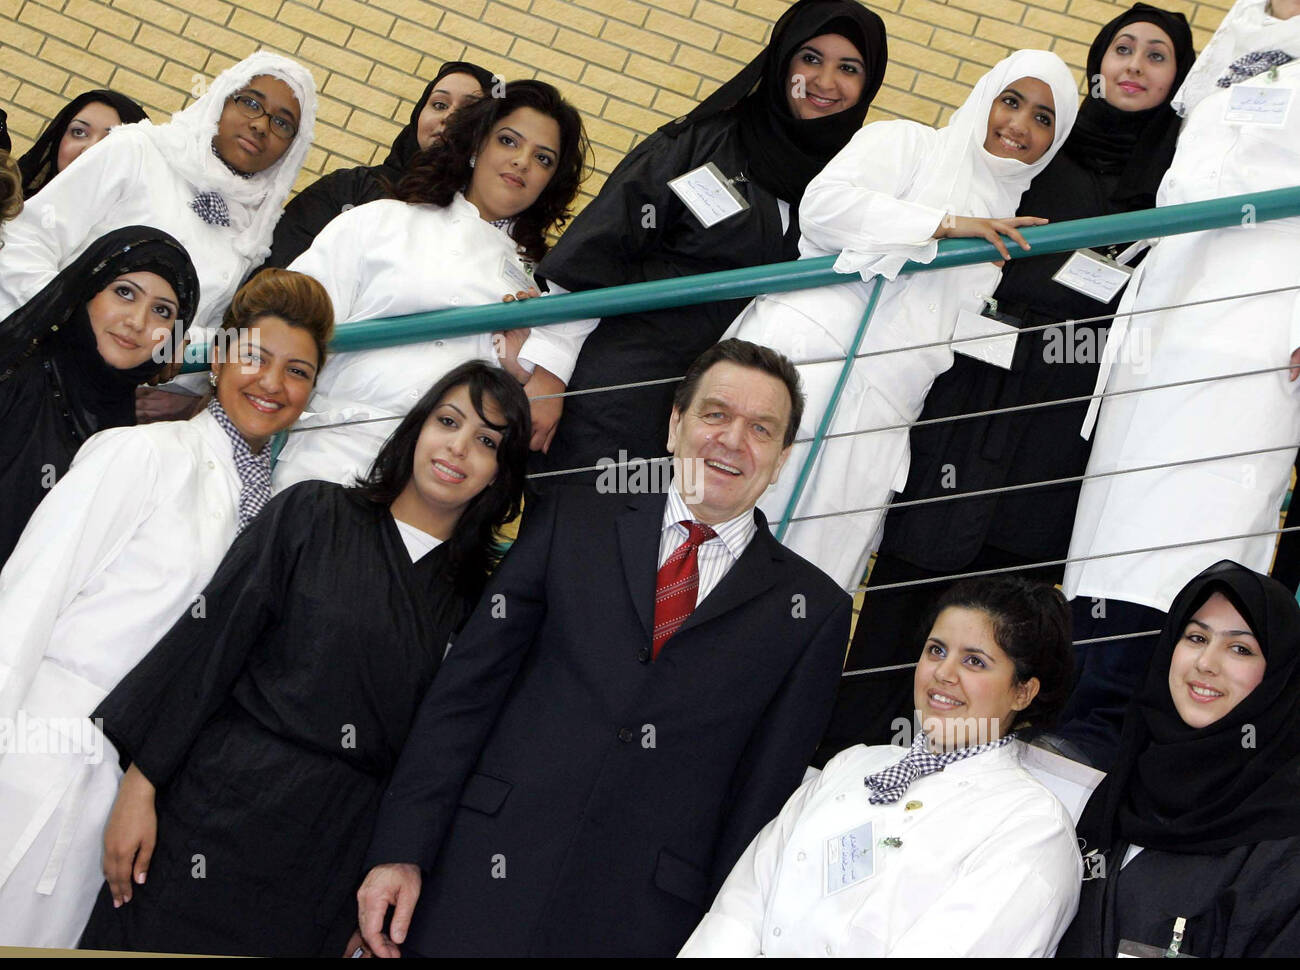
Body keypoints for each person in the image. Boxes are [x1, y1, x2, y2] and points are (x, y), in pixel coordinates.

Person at [356, 339, 852, 958]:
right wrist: (402, 850)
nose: (732, 440)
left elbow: (758, 804)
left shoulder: (813, 612)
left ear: (780, 460)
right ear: (675, 424)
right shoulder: (572, 517)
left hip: (641, 925)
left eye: (761, 429)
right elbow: (466, 694)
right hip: (475, 875)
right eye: (716, 414)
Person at [820, 6, 1195, 762]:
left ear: (1176, 80)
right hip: (971, 394)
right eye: (1122, 47)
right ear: (1097, 62)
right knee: (902, 616)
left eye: (1156, 56)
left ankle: (941, 797)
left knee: (1003, 630)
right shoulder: (1045, 147)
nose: (1134, 64)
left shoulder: (1178, 173)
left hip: (1058, 421)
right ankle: (836, 773)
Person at [77, 361, 530, 957]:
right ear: (417, 427)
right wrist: (140, 788)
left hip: (332, 852)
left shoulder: (478, 603)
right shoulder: (313, 512)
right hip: (215, 807)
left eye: (487, 441)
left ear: (500, 474)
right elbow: (209, 646)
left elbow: (436, 761)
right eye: (448, 421)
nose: (459, 447)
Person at [0, 268, 331, 948]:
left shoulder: (274, 518)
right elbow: (28, 599)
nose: (272, 383)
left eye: (297, 371)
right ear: (219, 357)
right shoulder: (140, 453)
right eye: (255, 357)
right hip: (36, 753)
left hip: (127, 798)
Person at [730, 49, 1079, 591]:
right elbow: (823, 208)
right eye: (1011, 101)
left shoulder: (1011, 226)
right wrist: (944, 224)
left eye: (1043, 118)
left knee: (806, 586)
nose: (1019, 125)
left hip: (881, 416)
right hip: (800, 365)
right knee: (715, 537)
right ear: (986, 97)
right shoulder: (909, 144)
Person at [1062, 0, 1300, 769]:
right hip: (1163, 325)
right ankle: (1077, 717)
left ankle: (1141, 744)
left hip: (1257, 330)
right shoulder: (1232, 40)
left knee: (1198, 534)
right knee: (1112, 533)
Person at [533, 0, 887, 478]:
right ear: (782, 62)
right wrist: (549, 373)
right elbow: (601, 247)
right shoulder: (703, 143)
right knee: (578, 539)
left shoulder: (850, 185)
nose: (825, 81)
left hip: (727, 437)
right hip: (619, 400)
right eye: (810, 58)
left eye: (849, 67)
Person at [679, 575, 1081, 957]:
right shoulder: (852, 764)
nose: (943, 673)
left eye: (974, 661)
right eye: (936, 650)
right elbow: (740, 907)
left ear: (1023, 692)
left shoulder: (1033, 826)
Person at [273, 79, 589, 487]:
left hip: (437, 490)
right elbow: (288, 327)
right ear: (476, 146)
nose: (523, 162)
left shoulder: (540, 290)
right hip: (326, 458)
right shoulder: (379, 221)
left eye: (543, 159)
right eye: (509, 141)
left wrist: (519, 372)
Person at [1056, 560, 1300, 957]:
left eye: (1240, 648)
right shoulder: (1124, 788)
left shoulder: (1283, 840)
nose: (1206, 663)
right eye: (1195, 638)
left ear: (1279, 676)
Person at [0, 52, 316, 339]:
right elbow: (26, 240)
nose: (261, 125)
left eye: (282, 123)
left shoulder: (256, 227)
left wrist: (171, 366)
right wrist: (73, 327)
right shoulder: (139, 150)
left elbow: (205, 331)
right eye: (250, 102)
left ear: (292, 148)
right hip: (39, 353)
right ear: (221, 99)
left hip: (124, 395)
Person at [0, 226, 199, 566]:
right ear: (87, 290)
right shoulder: (15, 380)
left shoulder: (126, 434)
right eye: (125, 292)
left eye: (162, 312)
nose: (138, 322)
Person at [264, 61, 494, 270]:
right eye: (439, 104)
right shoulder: (347, 188)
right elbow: (275, 274)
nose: (449, 117)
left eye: (468, 111)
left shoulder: (489, 226)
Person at [17, 89, 149, 199]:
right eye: (79, 132)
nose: (89, 150)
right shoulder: (8, 210)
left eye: (110, 141)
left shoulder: (139, 229)